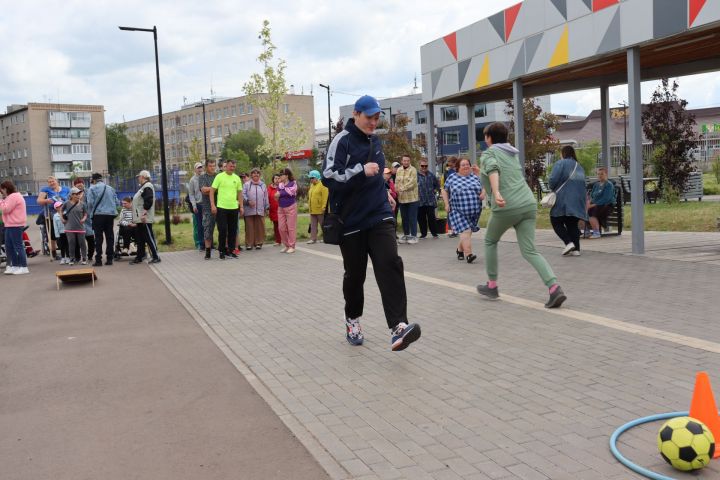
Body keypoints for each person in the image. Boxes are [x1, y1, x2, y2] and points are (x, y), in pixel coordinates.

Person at [322, 94, 421, 351]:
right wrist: (359, 171)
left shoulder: (375, 141)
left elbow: (377, 173)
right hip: (351, 221)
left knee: (390, 263)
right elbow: (328, 177)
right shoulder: (341, 141)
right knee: (355, 276)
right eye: (369, 117)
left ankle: (398, 326)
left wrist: (384, 191)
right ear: (356, 114)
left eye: (377, 118)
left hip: (379, 215)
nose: (373, 123)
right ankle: (352, 319)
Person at [476, 122, 566, 308]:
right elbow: (500, 172)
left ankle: (492, 285)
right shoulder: (511, 153)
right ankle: (554, 288)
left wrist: (497, 192)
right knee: (530, 250)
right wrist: (482, 175)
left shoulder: (489, 153)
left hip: (507, 206)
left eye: (485, 136)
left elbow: (493, 170)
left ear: (489, 138)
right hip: (528, 204)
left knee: (490, 241)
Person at [442, 157, 484, 263]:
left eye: (467, 164)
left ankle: (460, 250)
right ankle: (469, 254)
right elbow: (444, 190)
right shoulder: (452, 177)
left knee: (466, 233)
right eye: (463, 165)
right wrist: (446, 204)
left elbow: (485, 186)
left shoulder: (475, 177)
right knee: (466, 231)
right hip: (457, 210)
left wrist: (483, 193)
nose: (466, 166)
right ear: (458, 167)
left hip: (474, 211)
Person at [549, 146, 587, 256]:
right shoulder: (579, 167)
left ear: (563, 153)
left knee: (555, 220)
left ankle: (568, 242)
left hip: (563, 198)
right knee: (572, 224)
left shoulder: (561, 163)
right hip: (578, 200)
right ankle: (576, 250)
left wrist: (552, 187)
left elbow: (553, 180)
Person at [210, 159, 244, 260]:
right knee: (223, 230)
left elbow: (240, 193)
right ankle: (221, 250)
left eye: (234, 166)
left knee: (233, 230)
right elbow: (212, 191)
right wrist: (213, 205)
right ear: (226, 166)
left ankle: (231, 250)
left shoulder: (237, 178)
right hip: (221, 208)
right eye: (230, 166)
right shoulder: (219, 176)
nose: (232, 168)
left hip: (234, 208)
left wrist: (241, 206)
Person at [86, 172, 120, 266]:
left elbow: (90, 203)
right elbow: (117, 202)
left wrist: (90, 214)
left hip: (98, 215)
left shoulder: (92, 188)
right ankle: (109, 259)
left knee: (98, 237)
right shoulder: (110, 188)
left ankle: (98, 260)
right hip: (110, 215)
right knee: (110, 236)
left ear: (93, 180)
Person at [130, 170, 161, 265]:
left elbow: (148, 201)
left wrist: (144, 214)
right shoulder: (143, 187)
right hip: (140, 218)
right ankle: (140, 256)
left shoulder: (147, 186)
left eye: (139, 177)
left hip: (144, 218)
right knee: (140, 238)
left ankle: (156, 256)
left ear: (143, 177)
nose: (138, 178)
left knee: (148, 237)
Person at [1, 180, 30, 275]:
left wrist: (0, 200)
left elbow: (5, 209)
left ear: (5, 189)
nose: (1, 192)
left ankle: (24, 267)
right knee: (9, 247)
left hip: (15, 224)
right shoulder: (11, 197)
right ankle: (15, 265)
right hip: (10, 224)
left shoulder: (14, 196)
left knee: (18, 246)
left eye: (1, 190)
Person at [37, 176, 70, 259]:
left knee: (67, 232)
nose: (51, 183)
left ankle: (69, 250)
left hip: (65, 213)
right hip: (52, 214)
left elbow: (70, 198)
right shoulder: (46, 190)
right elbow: (39, 201)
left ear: (57, 181)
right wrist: (46, 200)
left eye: (53, 181)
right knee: (53, 234)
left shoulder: (66, 189)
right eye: (49, 182)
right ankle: (54, 252)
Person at [395, 154, 420, 244]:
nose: (406, 162)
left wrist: (401, 189)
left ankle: (414, 236)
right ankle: (406, 235)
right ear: (402, 161)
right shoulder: (399, 170)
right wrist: (396, 189)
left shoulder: (413, 170)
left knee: (412, 217)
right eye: (404, 160)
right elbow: (396, 182)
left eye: (407, 161)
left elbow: (412, 183)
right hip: (402, 199)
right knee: (404, 217)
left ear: (410, 161)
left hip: (412, 199)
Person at [242, 168, 269, 250]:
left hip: (260, 209)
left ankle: (258, 243)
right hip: (249, 209)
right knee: (249, 227)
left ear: (259, 175)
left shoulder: (263, 185)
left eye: (257, 174)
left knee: (260, 227)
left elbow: (266, 197)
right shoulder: (246, 184)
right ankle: (249, 244)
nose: (256, 175)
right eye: (254, 174)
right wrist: (248, 201)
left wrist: (267, 207)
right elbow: (243, 195)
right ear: (251, 175)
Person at [586, 166, 616, 239]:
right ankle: (587, 231)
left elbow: (606, 199)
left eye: (602, 174)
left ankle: (596, 233)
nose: (599, 176)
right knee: (580, 210)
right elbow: (592, 195)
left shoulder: (609, 185)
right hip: (596, 205)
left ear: (606, 175)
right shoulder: (596, 185)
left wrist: (592, 205)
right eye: (598, 174)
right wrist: (588, 202)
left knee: (591, 210)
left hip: (606, 205)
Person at [62, 187, 89, 265]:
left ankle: (84, 258)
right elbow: (61, 210)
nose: (78, 195)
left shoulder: (82, 204)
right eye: (76, 194)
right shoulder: (66, 203)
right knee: (71, 243)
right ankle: (71, 258)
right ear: (72, 195)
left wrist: (84, 218)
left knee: (82, 243)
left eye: (79, 194)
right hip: (69, 227)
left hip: (80, 227)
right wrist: (62, 219)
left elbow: (85, 213)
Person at [275, 168, 298, 253]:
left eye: (282, 174)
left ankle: (292, 246)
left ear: (287, 176)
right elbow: (277, 195)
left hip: (291, 207)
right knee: (281, 228)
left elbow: (290, 192)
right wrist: (278, 195)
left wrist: (280, 193)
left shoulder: (293, 183)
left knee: (291, 227)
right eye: (280, 174)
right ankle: (286, 245)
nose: (280, 176)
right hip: (281, 207)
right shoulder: (280, 185)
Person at [417, 158, 441, 239]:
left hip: (430, 201)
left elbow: (437, 185)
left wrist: (434, 191)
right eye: (422, 166)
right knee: (421, 218)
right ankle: (423, 234)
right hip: (419, 201)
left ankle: (434, 233)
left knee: (431, 218)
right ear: (419, 166)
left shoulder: (431, 175)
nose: (424, 167)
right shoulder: (415, 175)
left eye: (425, 166)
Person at [199, 159, 218, 260]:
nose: (213, 168)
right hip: (207, 208)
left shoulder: (218, 176)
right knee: (207, 230)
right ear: (206, 167)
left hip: (220, 206)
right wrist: (215, 189)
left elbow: (209, 190)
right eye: (210, 166)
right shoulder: (202, 177)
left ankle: (224, 249)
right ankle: (208, 251)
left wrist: (209, 189)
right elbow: (203, 190)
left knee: (223, 228)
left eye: (214, 166)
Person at [74, 179, 95, 262]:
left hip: (88, 217)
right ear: (74, 185)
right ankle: (77, 257)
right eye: (77, 184)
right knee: (77, 239)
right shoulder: (71, 193)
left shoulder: (89, 192)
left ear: (83, 184)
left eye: (81, 183)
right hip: (76, 218)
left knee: (90, 238)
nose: (79, 185)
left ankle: (90, 256)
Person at [306, 170, 329, 244]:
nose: (311, 179)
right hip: (312, 209)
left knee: (323, 225)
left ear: (317, 177)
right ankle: (313, 239)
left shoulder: (323, 185)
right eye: (310, 178)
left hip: (320, 209)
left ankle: (327, 238)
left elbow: (325, 197)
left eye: (312, 178)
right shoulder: (312, 185)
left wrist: (324, 207)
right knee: (313, 225)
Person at [187, 162, 204, 250]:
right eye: (198, 167)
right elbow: (191, 194)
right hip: (198, 204)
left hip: (206, 204)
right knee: (200, 225)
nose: (200, 169)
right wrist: (194, 205)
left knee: (208, 224)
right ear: (195, 169)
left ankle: (210, 243)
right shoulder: (192, 180)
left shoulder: (205, 177)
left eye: (201, 167)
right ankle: (201, 244)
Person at [444, 157, 459, 237]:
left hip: (452, 194)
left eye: (449, 162)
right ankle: (454, 230)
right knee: (451, 212)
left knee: (452, 213)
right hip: (451, 193)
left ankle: (454, 230)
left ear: (453, 163)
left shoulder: (452, 172)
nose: (448, 164)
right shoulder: (450, 171)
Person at [267, 174, 281, 246]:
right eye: (275, 178)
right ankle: (278, 241)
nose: (277, 180)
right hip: (273, 210)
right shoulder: (269, 188)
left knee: (283, 226)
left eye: (278, 178)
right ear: (273, 179)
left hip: (281, 209)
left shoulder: (282, 187)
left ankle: (285, 239)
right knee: (276, 226)